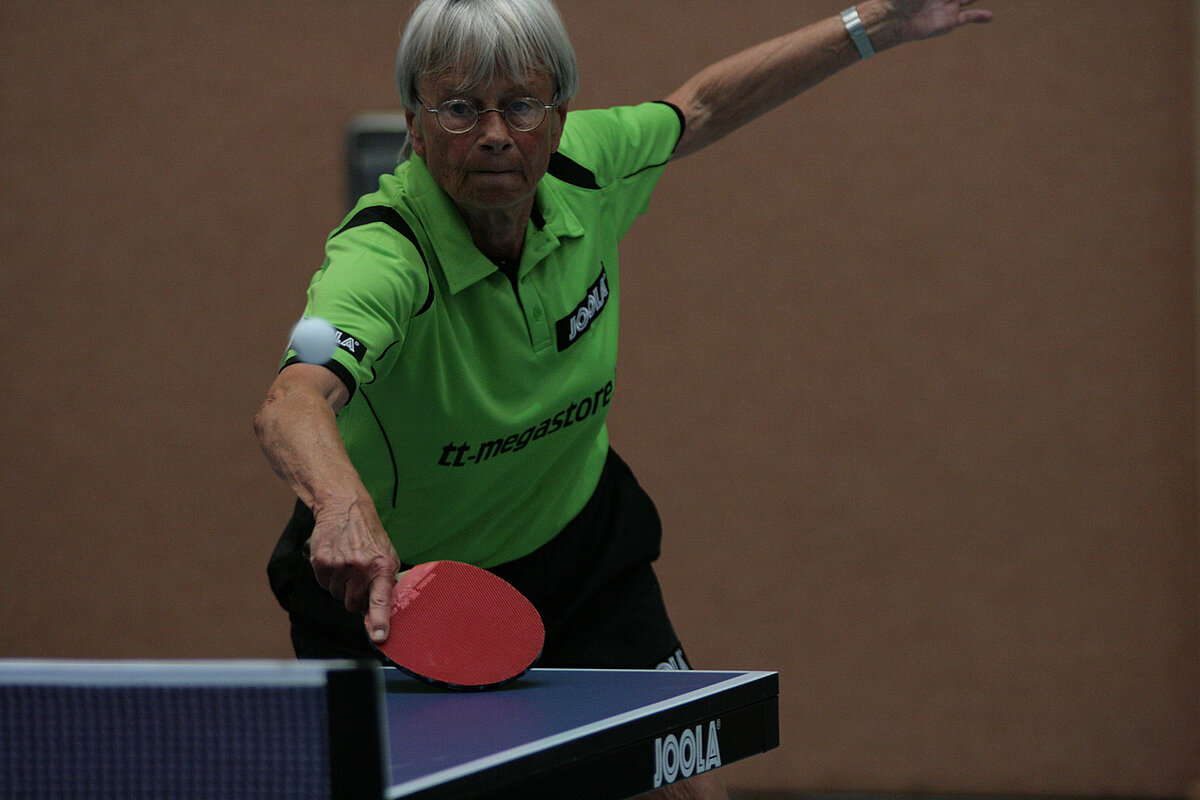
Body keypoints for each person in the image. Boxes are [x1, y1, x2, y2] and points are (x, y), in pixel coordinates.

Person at [255, 1, 990, 796]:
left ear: (559, 115)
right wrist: (340, 504)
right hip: (400, 597)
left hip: (581, 557)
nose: (495, 134)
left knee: (686, 784)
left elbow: (701, 105)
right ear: (416, 122)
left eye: (521, 105)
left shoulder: (588, 166)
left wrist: (876, 23)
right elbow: (294, 397)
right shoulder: (381, 257)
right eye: (460, 109)